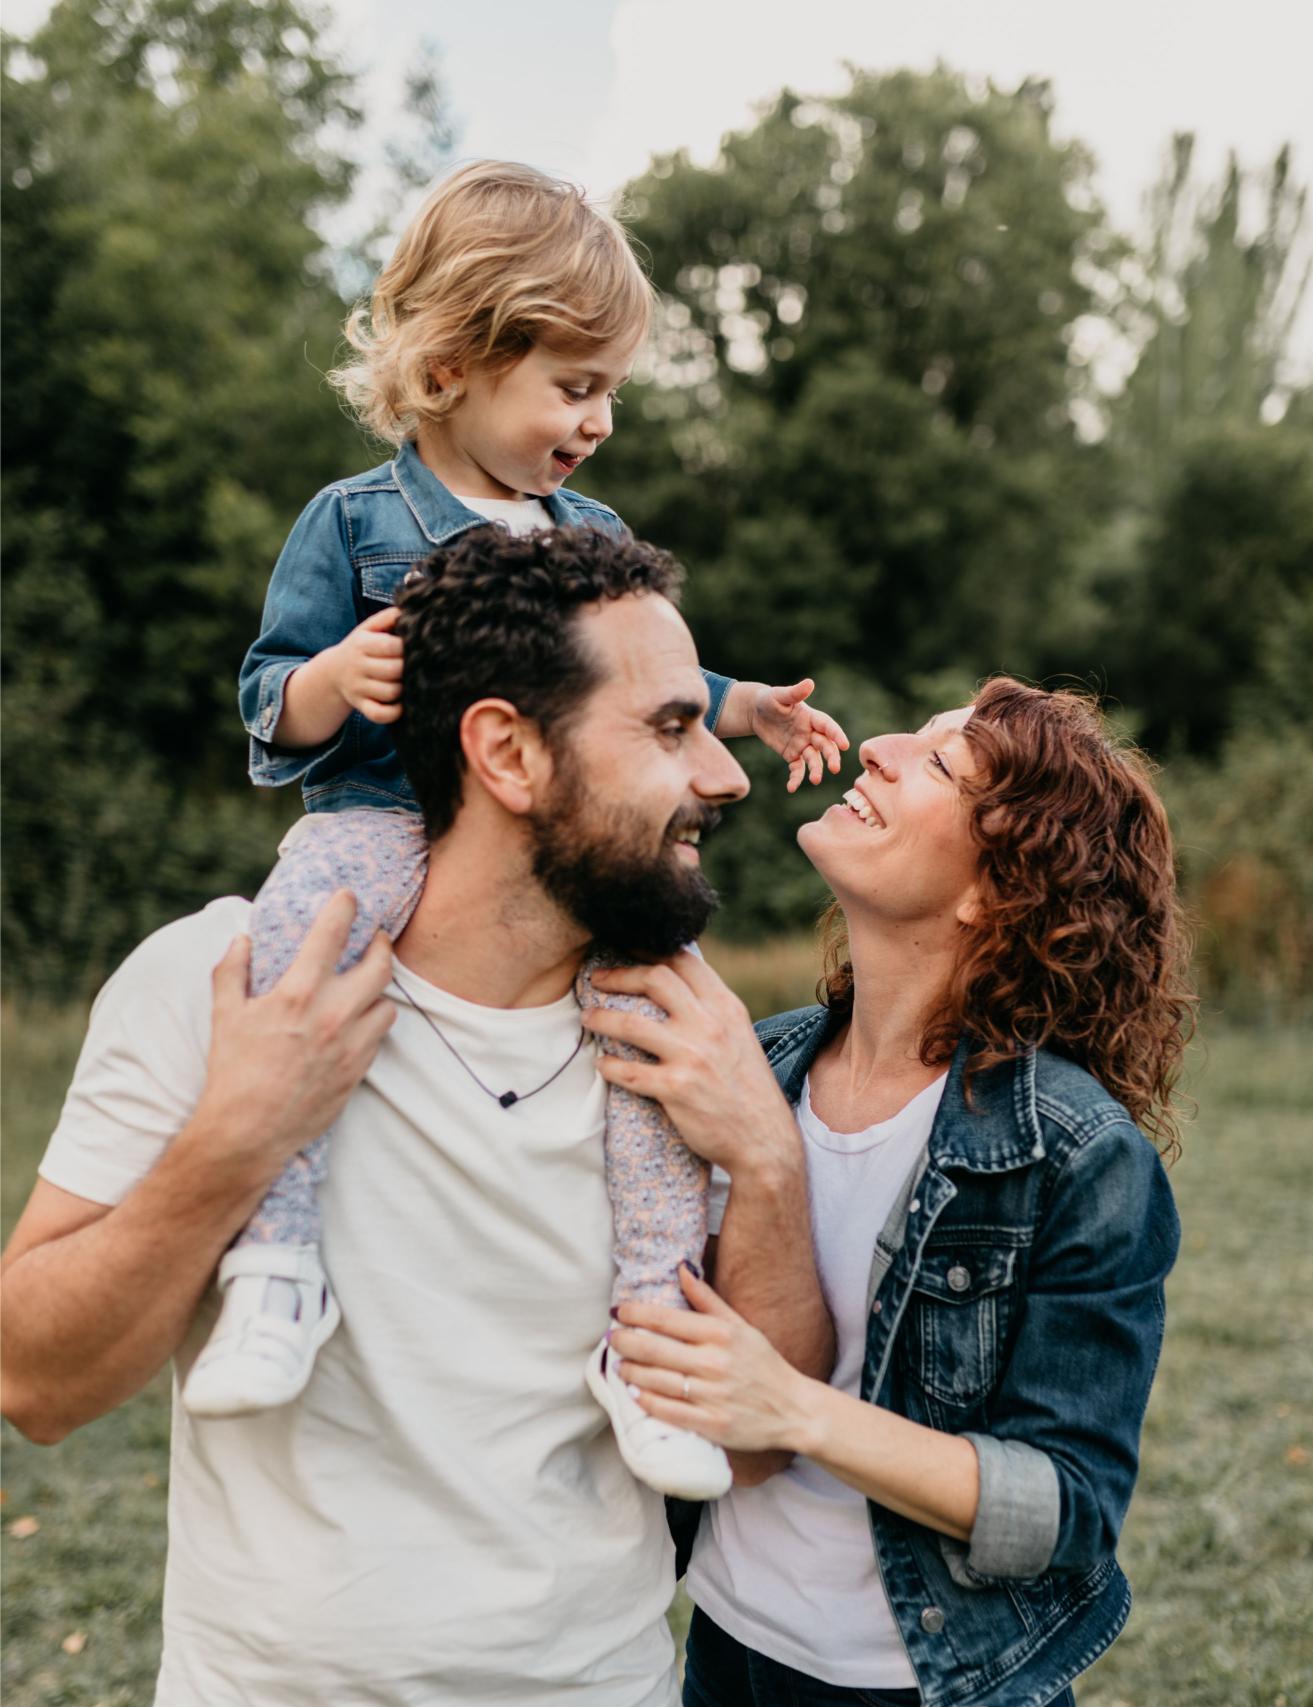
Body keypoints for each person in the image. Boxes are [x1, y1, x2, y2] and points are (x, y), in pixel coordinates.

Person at [0, 524, 833, 1707]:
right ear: (506, 752)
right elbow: (36, 1381)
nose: (723, 775)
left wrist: (763, 1160)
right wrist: (240, 1135)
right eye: (669, 727)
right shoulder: (222, 983)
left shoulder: (686, 1043)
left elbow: (761, 1443)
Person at [197, 157, 848, 1510]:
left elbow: (648, 677)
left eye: (609, 391)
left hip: (558, 852)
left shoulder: (586, 529)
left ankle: (647, 1317)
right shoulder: (353, 524)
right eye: (572, 386)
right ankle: (278, 1261)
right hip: (386, 817)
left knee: (655, 1032)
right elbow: (268, 699)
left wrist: (743, 709)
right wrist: (334, 681)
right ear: (450, 366)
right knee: (296, 949)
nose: (597, 421)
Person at [593, 679, 1196, 1707]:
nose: (870, 747)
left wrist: (797, 1410)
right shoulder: (753, 1067)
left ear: (992, 889)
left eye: (934, 763)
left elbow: (1065, 1509)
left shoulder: (1075, 1153)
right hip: (729, 1694)